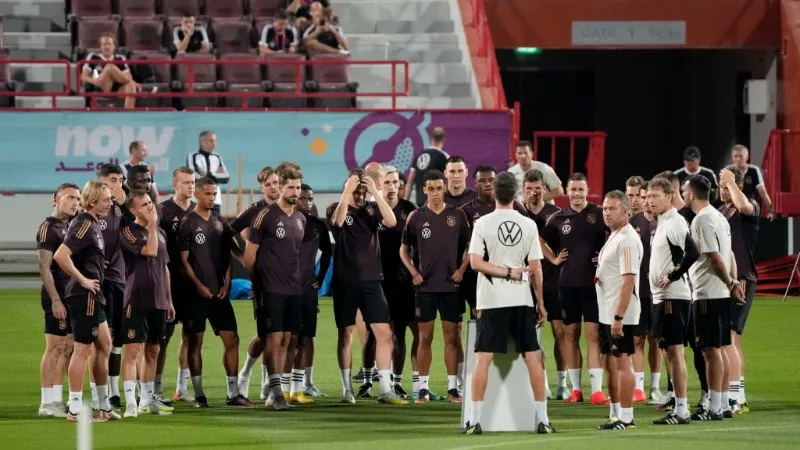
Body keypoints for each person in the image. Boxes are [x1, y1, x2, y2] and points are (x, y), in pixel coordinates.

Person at [460, 172, 554, 436]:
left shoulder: (483, 223)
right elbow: (536, 268)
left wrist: (504, 272)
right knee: (533, 358)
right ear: (516, 194)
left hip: (491, 300)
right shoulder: (528, 225)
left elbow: (476, 263)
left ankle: (474, 422)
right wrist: (541, 302)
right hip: (522, 299)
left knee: (483, 359)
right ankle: (543, 421)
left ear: (494, 194)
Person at [325, 168, 407, 405]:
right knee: (345, 336)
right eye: (357, 191)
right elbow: (337, 222)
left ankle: (385, 389)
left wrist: (374, 191)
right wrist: (347, 191)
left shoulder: (372, 209)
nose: (360, 196)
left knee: (384, 333)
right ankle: (346, 388)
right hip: (345, 283)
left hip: (372, 282)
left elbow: (391, 221)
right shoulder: (336, 207)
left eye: (363, 192)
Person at [400, 170, 470, 404]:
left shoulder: (457, 215)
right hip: (426, 288)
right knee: (424, 337)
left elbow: (470, 246)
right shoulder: (416, 216)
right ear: (425, 190)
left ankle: (453, 389)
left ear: (444, 188)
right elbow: (403, 249)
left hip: (451, 287)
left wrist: (461, 270)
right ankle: (423, 389)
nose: (436, 193)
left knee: (452, 337)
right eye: (431, 189)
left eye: (440, 188)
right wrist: (414, 272)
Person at [179, 177, 250, 408]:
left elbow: (227, 255)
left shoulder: (220, 221)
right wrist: (198, 286)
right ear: (197, 194)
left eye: (214, 194)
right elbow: (183, 261)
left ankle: (233, 393)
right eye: (208, 194)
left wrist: (226, 284)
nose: (212, 198)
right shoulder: (187, 223)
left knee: (232, 339)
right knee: (195, 343)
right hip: (194, 295)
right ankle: (199, 394)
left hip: (219, 294)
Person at [53, 180, 118, 422]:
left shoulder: (93, 224)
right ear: (92, 201)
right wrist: (83, 279)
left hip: (94, 295)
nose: (110, 203)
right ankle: (75, 408)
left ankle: (104, 406)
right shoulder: (83, 223)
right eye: (106, 199)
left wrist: (99, 265)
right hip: (85, 295)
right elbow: (61, 255)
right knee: (82, 350)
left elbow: (84, 254)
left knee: (105, 345)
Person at [244, 167, 308, 409]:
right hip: (269, 288)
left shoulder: (300, 219)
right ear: (280, 187)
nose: (295, 191)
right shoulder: (266, 216)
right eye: (290, 187)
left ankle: (275, 393)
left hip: (293, 289)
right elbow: (249, 256)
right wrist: (259, 283)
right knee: (274, 338)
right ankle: (275, 394)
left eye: (298, 187)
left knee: (287, 340)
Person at [541, 173, 608, 405]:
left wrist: (604, 256)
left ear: (587, 191)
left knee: (593, 337)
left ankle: (597, 391)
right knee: (570, 336)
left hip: (593, 286)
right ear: (567, 192)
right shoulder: (559, 218)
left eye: (581, 189)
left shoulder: (599, 214)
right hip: (567, 285)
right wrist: (553, 259)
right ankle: (576, 390)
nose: (577, 194)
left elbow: (614, 236)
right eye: (573, 190)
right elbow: (539, 240)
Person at [683, 175, 744, 421]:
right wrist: (733, 282)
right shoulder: (719, 216)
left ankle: (715, 407)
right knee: (719, 347)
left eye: (685, 191)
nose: (684, 195)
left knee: (710, 350)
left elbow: (715, 257)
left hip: (708, 292)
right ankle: (723, 404)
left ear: (691, 194)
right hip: (719, 291)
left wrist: (731, 283)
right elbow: (729, 254)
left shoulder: (702, 220)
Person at [646, 176, 699, 425]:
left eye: (655, 196)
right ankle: (678, 406)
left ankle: (682, 409)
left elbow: (694, 251)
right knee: (668, 350)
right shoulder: (663, 222)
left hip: (673, 298)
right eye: (647, 196)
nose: (649, 201)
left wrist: (675, 274)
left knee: (675, 352)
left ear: (669, 196)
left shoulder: (675, 222)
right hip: (662, 297)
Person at [119, 190, 176, 418]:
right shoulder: (128, 232)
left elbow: (164, 267)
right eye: (144, 205)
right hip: (137, 299)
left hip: (159, 300)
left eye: (151, 203)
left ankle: (146, 400)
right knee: (133, 351)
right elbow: (150, 252)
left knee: (153, 350)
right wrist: (152, 225)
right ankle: (131, 402)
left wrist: (169, 300)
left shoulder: (160, 233)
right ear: (133, 210)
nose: (150, 207)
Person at [595, 191, 643, 431]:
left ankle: (627, 416)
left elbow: (628, 281)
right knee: (611, 363)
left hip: (619, 313)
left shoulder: (627, 239)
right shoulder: (615, 235)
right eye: (604, 208)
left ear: (626, 211)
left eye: (612, 208)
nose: (606, 212)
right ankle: (615, 413)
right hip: (607, 311)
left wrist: (618, 317)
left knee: (623, 362)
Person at [236, 166, 281, 401]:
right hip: (264, 282)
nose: (273, 187)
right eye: (268, 184)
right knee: (265, 334)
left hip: (288, 282)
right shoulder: (255, 211)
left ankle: (268, 384)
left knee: (282, 335)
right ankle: (245, 374)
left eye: (276, 182)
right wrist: (243, 255)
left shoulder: (291, 208)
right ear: (262, 188)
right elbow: (227, 232)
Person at [718, 165, 760, 413]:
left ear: (738, 186)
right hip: (728, 278)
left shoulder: (749, 205)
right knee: (733, 339)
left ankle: (735, 398)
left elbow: (744, 206)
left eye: (727, 186)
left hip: (741, 277)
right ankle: (738, 393)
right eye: (721, 186)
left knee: (729, 338)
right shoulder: (723, 209)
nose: (722, 191)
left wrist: (732, 182)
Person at [37, 183, 80, 418]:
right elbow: (44, 267)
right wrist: (55, 300)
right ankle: (46, 402)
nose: (75, 202)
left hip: (72, 296)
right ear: (56, 199)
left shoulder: (72, 226)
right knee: (54, 348)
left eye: (78, 199)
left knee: (68, 348)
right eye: (70, 197)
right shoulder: (48, 229)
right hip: (57, 297)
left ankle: (57, 399)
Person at [523, 169, 566, 400]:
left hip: (553, 283)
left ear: (544, 189)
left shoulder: (556, 214)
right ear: (523, 190)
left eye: (537, 187)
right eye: (529, 188)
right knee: (534, 338)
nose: (533, 192)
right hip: (526, 285)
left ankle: (562, 383)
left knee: (560, 333)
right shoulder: (518, 213)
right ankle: (543, 383)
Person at [377, 166, 419, 399]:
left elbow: (419, 245)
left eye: (396, 183)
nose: (393, 187)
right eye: (388, 182)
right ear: (380, 183)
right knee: (385, 334)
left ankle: (401, 381)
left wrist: (417, 271)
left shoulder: (410, 210)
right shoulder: (372, 210)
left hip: (405, 281)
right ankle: (374, 379)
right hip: (379, 281)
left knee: (405, 332)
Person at [159, 167, 196, 403]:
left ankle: (182, 388)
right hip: (168, 283)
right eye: (185, 182)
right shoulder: (162, 211)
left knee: (190, 337)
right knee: (162, 338)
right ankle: (155, 387)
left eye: (192, 182)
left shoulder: (199, 210)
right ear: (175, 184)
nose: (190, 186)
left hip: (192, 284)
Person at [293, 183, 332, 398]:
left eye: (311, 199)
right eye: (304, 198)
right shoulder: (285, 222)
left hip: (308, 289)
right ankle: (276, 384)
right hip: (285, 288)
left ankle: (306, 383)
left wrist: (320, 278)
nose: (308, 202)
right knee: (287, 337)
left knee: (307, 336)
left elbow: (327, 252)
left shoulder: (317, 225)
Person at [625, 176, 661, 403]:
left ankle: (655, 387)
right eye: (639, 197)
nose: (642, 201)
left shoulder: (665, 221)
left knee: (656, 340)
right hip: (638, 290)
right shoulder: (631, 222)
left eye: (645, 196)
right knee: (637, 339)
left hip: (658, 290)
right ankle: (638, 387)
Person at [94, 164, 128, 410]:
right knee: (98, 340)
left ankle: (113, 392)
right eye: (113, 179)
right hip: (97, 282)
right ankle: (98, 392)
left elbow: (136, 232)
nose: (118, 184)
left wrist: (125, 205)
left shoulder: (120, 209)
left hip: (119, 279)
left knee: (116, 341)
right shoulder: (92, 210)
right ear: (101, 181)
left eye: (120, 179)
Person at [80, 32, 139, 109]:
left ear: (114, 47)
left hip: (117, 88)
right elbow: (83, 76)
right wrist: (94, 81)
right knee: (110, 67)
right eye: (104, 44)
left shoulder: (120, 58)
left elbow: (127, 75)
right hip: (101, 86)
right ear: (100, 47)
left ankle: (128, 113)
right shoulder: (93, 57)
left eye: (109, 44)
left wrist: (130, 81)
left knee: (130, 85)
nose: (107, 47)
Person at [187, 130, 230, 213]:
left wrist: (208, 174)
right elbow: (193, 175)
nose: (214, 143)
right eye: (211, 140)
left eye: (215, 141)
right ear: (202, 142)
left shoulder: (217, 157)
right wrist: (217, 175)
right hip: (197, 200)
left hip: (215, 200)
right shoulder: (193, 156)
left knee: (216, 225)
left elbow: (226, 178)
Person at [406, 127, 449, 206]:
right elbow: (449, 181)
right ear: (443, 140)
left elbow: (410, 181)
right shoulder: (445, 157)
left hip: (419, 202)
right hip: (437, 204)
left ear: (431, 138)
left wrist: (404, 202)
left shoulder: (419, 156)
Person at [730, 144, 774, 220]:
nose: (738, 159)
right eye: (735, 156)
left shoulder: (754, 170)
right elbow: (722, 192)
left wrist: (770, 210)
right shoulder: (727, 170)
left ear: (747, 157)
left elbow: (763, 192)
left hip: (750, 206)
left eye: (740, 156)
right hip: (733, 208)